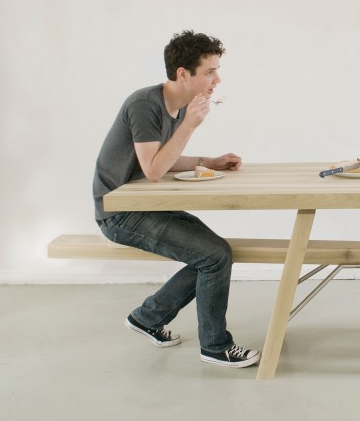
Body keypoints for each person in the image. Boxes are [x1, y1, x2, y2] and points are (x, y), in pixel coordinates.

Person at [92, 30, 260, 368]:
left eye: (217, 69)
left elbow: (160, 158)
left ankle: (147, 318)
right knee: (214, 256)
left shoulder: (181, 105)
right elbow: (154, 170)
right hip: (118, 212)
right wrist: (191, 127)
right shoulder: (144, 104)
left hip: (145, 205)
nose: (218, 78)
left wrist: (207, 162)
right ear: (183, 74)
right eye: (209, 71)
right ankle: (214, 346)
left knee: (214, 253)